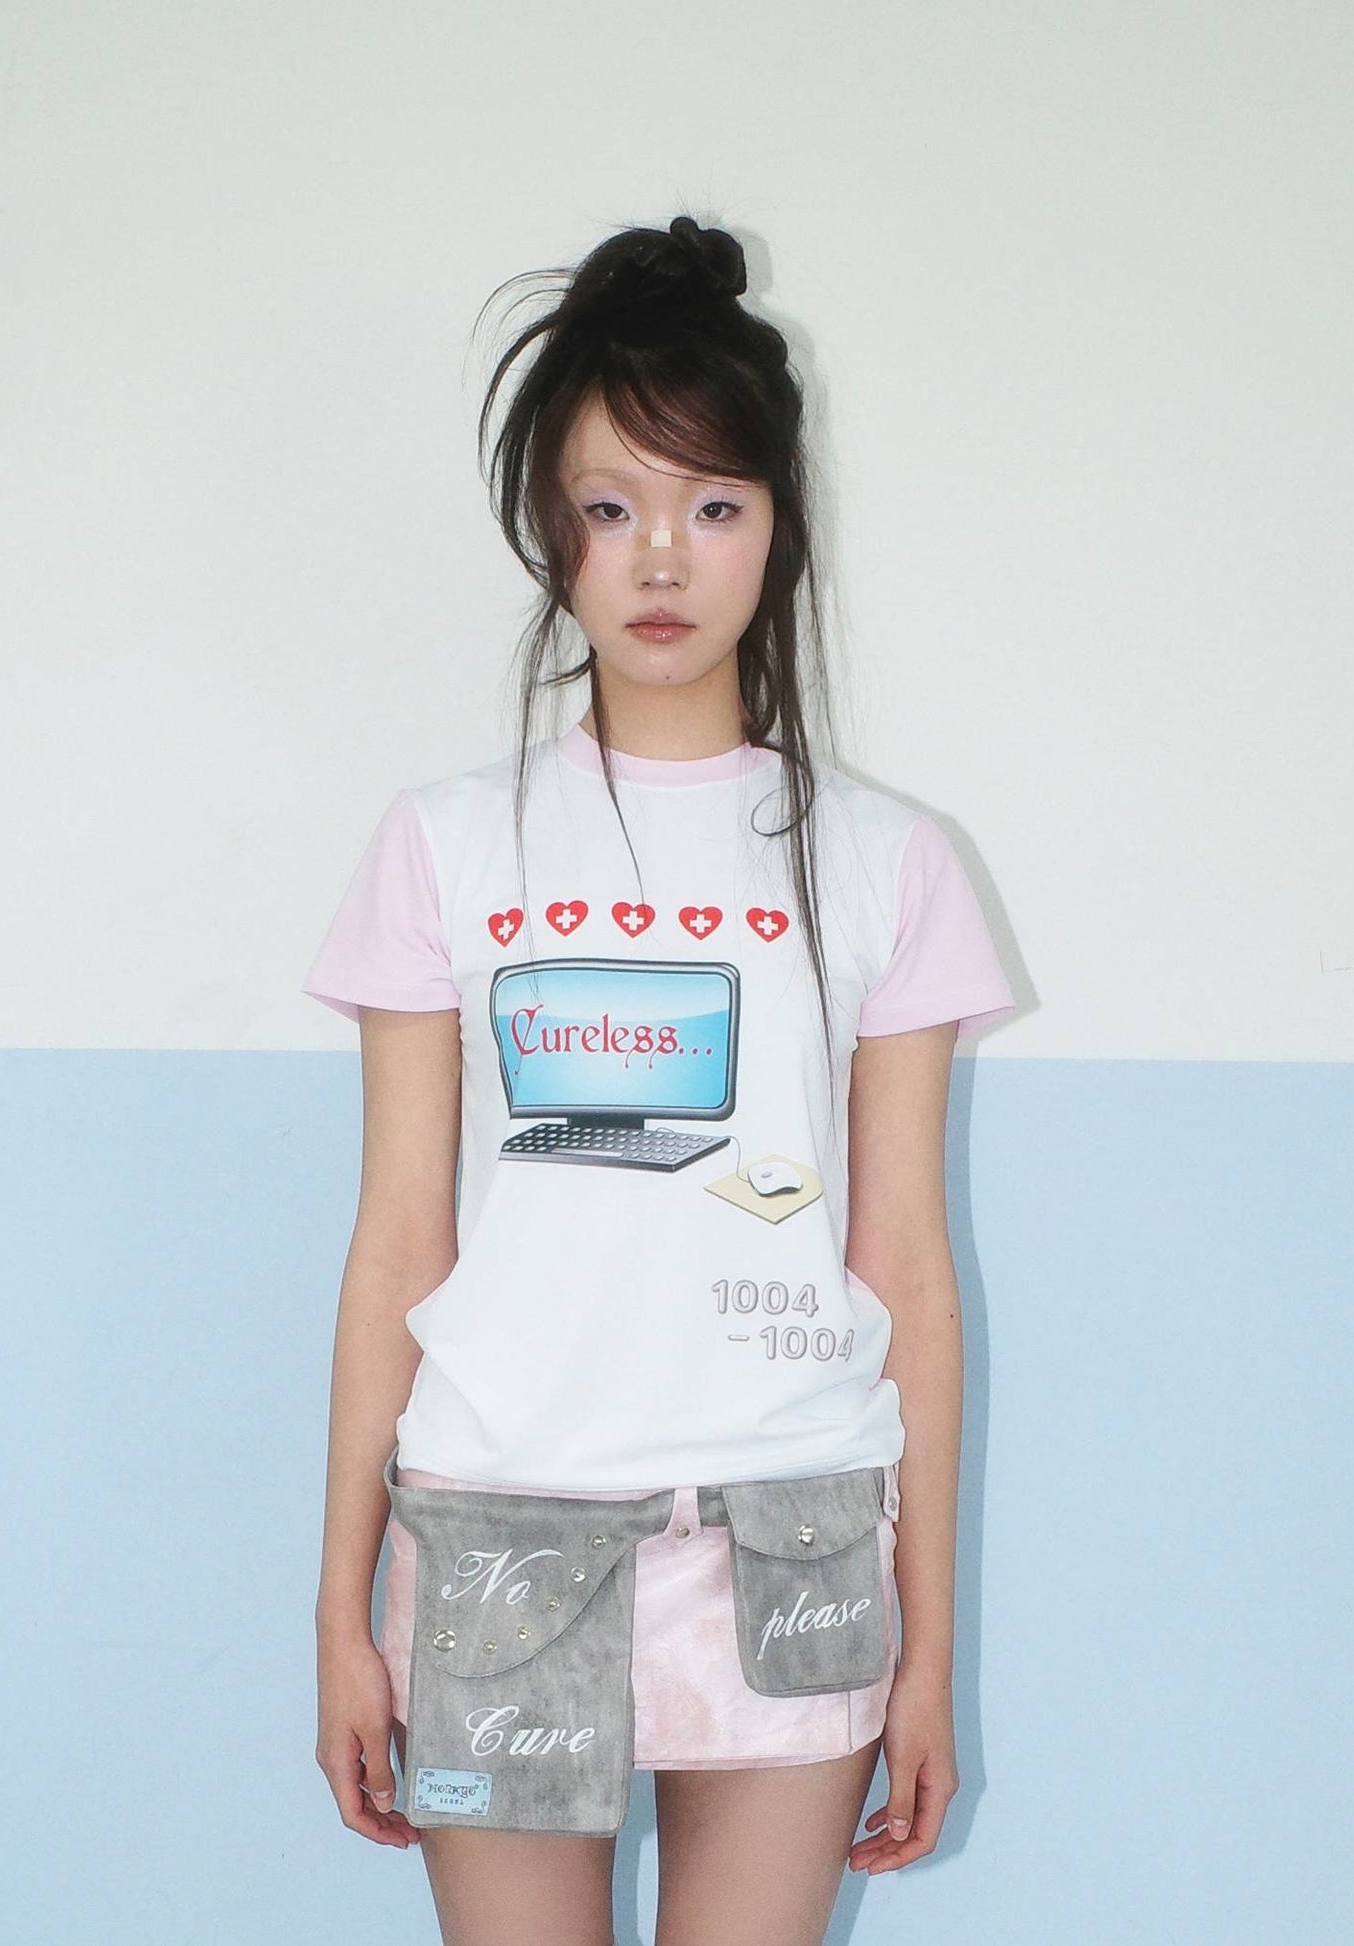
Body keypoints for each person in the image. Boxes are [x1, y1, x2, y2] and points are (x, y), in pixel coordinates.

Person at [304, 214, 1017, 1946]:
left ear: (778, 525)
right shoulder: (444, 844)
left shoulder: (887, 860)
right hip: (493, 1530)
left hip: (792, 1531)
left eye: (713, 505)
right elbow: (396, 1238)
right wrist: (338, 1602)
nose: (661, 558)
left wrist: (929, 1643)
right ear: (550, 533)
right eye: (610, 507)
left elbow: (906, 1268)